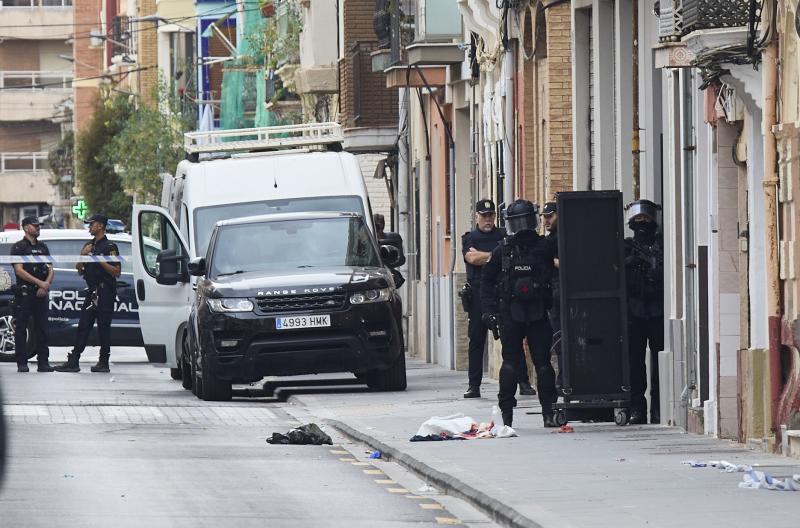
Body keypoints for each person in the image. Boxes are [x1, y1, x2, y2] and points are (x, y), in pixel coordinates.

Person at [481, 200, 557, 427]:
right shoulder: (543, 247)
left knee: (513, 363)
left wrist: (490, 313)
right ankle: (547, 413)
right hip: (530, 314)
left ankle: (508, 416)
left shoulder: (504, 250)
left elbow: (486, 282)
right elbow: (486, 283)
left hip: (516, 314)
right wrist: (491, 312)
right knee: (540, 364)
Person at [461, 199, 535, 399]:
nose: (488, 219)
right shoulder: (470, 238)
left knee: (512, 338)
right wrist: (497, 255)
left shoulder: (503, 235)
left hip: (502, 292)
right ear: (476, 216)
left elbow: (501, 256)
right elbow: (472, 258)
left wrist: (486, 256)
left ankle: (524, 382)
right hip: (478, 295)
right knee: (476, 340)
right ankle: (473, 386)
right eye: (484, 215)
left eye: (491, 215)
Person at [56, 214, 121, 373]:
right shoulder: (88, 245)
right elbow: (79, 269)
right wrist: (83, 255)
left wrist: (100, 260)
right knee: (83, 326)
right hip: (92, 292)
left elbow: (117, 271)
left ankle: (103, 361)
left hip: (105, 291)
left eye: (92, 224)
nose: (89, 227)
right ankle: (74, 361)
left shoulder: (110, 247)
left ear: (100, 226)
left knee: (104, 328)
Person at [624, 199, 664, 425]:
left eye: (645, 219)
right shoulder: (627, 247)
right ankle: (637, 408)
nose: (642, 222)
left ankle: (658, 409)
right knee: (635, 364)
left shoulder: (661, 246)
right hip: (634, 311)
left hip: (657, 310)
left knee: (658, 363)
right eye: (638, 219)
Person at [10, 217, 54, 373]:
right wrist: (39, 283)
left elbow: (50, 268)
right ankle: (22, 362)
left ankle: (43, 362)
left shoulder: (43, 247)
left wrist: (46, 284)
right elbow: (19, 270)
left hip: (41, 293)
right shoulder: (19, 247)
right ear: (26, 228)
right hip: (25, 292)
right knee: (21, 328)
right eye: (35, 226)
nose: (38, 228)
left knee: (42, 328)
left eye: (38, 226)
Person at [541, 201, 563, 392]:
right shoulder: (547, 240)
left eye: (550, 216)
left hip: (565, 294)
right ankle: (562, 379)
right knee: (557, 340)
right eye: (544, 217)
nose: (547, 220)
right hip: (552, 295)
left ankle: (564, 379)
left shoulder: (564, 238)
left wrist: (553, 261)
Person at [373, 213, 406, 288]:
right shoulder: (368, 240)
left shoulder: (392, 238)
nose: (379, 228)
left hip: (387, 272)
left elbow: (401, 259)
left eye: (380, 225)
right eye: (376, 226)